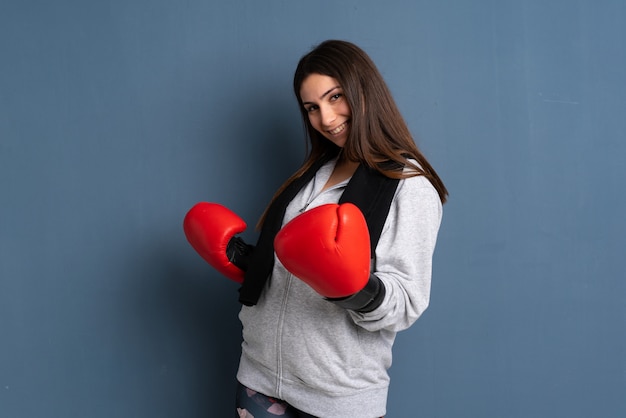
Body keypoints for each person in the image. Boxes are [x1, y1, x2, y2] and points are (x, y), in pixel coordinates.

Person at [183, 40, 447, 418]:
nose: (326, 118)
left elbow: (406, 303)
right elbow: (293, 265)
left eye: (335, 97)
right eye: (312, 108)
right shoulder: (314, 176)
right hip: (259, 378)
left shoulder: (408, 185)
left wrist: (354, 288)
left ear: (364, 90)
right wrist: (241, 258)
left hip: (336, 398)